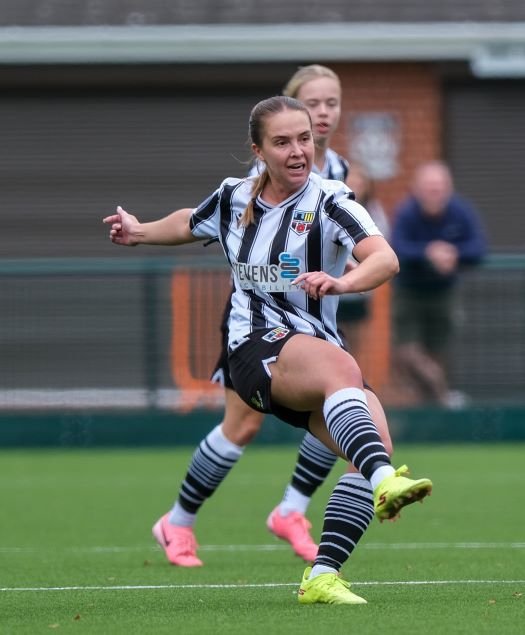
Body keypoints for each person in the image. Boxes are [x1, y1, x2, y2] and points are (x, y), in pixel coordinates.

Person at [105, 95, 433, 605]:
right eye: (282, 142)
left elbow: (384, 259)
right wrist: (140, 232)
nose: (298, 150)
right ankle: (383, 482)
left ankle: (322, 575)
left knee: (372, 445)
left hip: (313, 354)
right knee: (341, 373)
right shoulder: (234, 198)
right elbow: (190, 221)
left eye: (304, 138)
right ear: (258, 149)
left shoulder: (331, 200)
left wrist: (343, 284)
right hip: (253, 347)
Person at [150, 64, 368, 573]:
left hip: (316, 312)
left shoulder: (336, 169)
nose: (323, 113)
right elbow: (233, 228)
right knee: (243, 425)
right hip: (261, 317)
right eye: (313, 103)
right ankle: (178, 521)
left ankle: (291, 509)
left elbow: (342, 238)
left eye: (331, 103)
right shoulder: (262, 177)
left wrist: (355, 268)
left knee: (340, 402)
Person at [389, 161, 487, 407]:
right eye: (430, 187)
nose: (435, 193)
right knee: (407, 353)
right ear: (417, 189)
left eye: (439, 187)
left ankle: (432, 404)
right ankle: (442, 395)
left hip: (445, 292)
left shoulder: (461, 211)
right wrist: (428, 253)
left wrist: (453, 254)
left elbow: (478, 247)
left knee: (438, 350)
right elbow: (396, 247)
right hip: (409, 292)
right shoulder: (406, 213)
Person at [336, 161, 390, 365]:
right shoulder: (333, 208)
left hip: (360, 289)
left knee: (356, 342)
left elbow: (384, 244)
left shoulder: (374, 212)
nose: (356, 184)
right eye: (352, 180)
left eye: (360, 180)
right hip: (335, 290)